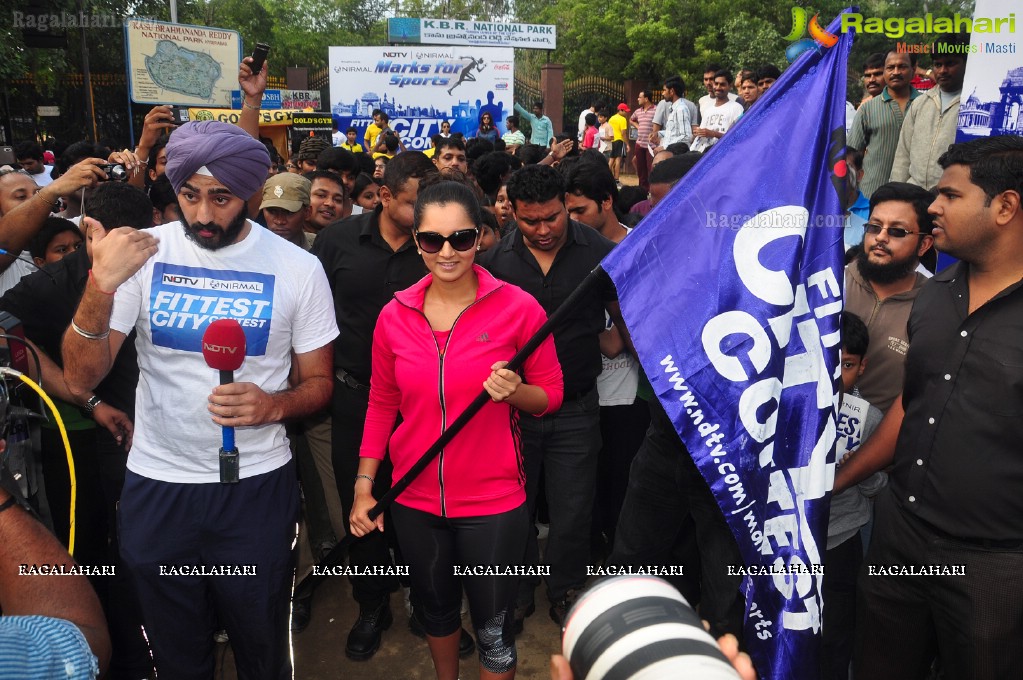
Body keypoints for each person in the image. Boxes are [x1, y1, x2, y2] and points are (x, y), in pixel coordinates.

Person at [61, 120, 338, 679]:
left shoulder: (299, 270)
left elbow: (320, 384)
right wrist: (100, 284)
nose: (204, 215)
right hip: (158, 485)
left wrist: (273, 406)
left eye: (221, 198)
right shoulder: (140, 254)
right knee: (174, 648)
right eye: (190, 195)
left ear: (252, 194)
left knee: (261, 642)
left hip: (254, 488)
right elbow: (79, 375)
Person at [351, 180, 563, 680]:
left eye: (461, 239)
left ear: (481, 237)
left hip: (493, 503)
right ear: (417, 239)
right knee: (435, 612)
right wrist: (365, 487)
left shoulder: (518, 308)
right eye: (432, 240)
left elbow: (549, 395)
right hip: (413, 498)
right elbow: (382, 402)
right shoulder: (394, 316)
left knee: (492, 630)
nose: (447, 252)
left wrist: (514, 390)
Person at [836, 136, 1023, 679]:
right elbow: (913, 406)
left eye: (949, 196)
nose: (933, 208)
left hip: (995, 569)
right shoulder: (937, 294)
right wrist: (840, 478)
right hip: (899, 537)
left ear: (1005, 207)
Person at [478, 164, 628, 631]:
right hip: (509, 411)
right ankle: (517, 593)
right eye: (530, 221)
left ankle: (565, 590)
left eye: (553, 217)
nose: (543, 230)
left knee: (573, 508)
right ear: (511, 215)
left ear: (566, 205)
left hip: (576, 407)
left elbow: (624, 314)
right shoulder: (491, 263)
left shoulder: (601, 253)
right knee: (512, 509)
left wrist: (624, 341)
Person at [822, 311, 886, 680]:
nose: (836, 374)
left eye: (847, 365)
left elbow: (879, 490)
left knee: (835, 633)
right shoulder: (786, 405)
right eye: (830, 360)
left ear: (862, 368)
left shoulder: (868, 418)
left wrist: (860, 470)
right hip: (789, 540)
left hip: (842, 539)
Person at [844, 181, 934, 413]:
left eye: (897, 231)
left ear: (924, 244)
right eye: (874, 227)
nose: (881, 237)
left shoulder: (933, 305)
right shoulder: (833, 281)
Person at [890, 33, 968, 190]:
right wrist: (895, 193)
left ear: (966, 63)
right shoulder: (920, 104)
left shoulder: (973, 105)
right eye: (938, 65)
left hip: (951, 197)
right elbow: (902, 155)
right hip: (914, 195)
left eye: (950, 63)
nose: (943, 70)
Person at [848, 51, 920, 198]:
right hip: (871, 194)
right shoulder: (867, 110)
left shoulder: (927, 104)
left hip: (915, 195)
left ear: (913, 69)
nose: (896, 72)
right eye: (890, 67)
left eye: (902, 67)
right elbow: (852, 155)